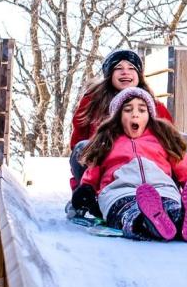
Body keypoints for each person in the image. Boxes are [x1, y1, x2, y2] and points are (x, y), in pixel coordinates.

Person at [68, 87, 187, 242]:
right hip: (120, 192)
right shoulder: (107, 141)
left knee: (172, 210)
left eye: (142, 110)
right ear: (117, 116)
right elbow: (92, 174)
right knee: (130, 213)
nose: (135, 114)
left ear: (149, 116)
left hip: (162, 190)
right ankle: (151, 221)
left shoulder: (163, 140)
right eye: (128, 110)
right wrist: (86, 190)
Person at [68, 48, 174, 188]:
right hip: (106, 168)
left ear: (139, 75)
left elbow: (172, 140)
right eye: (118, 68)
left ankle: (183, 196)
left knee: (184, 142)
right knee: (81, 147)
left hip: (147, 166)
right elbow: (78, 141)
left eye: (131, 68)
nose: (125, 71)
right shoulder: (92, 101)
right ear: (109, 74)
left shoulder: (153, 105)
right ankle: (86, 196)